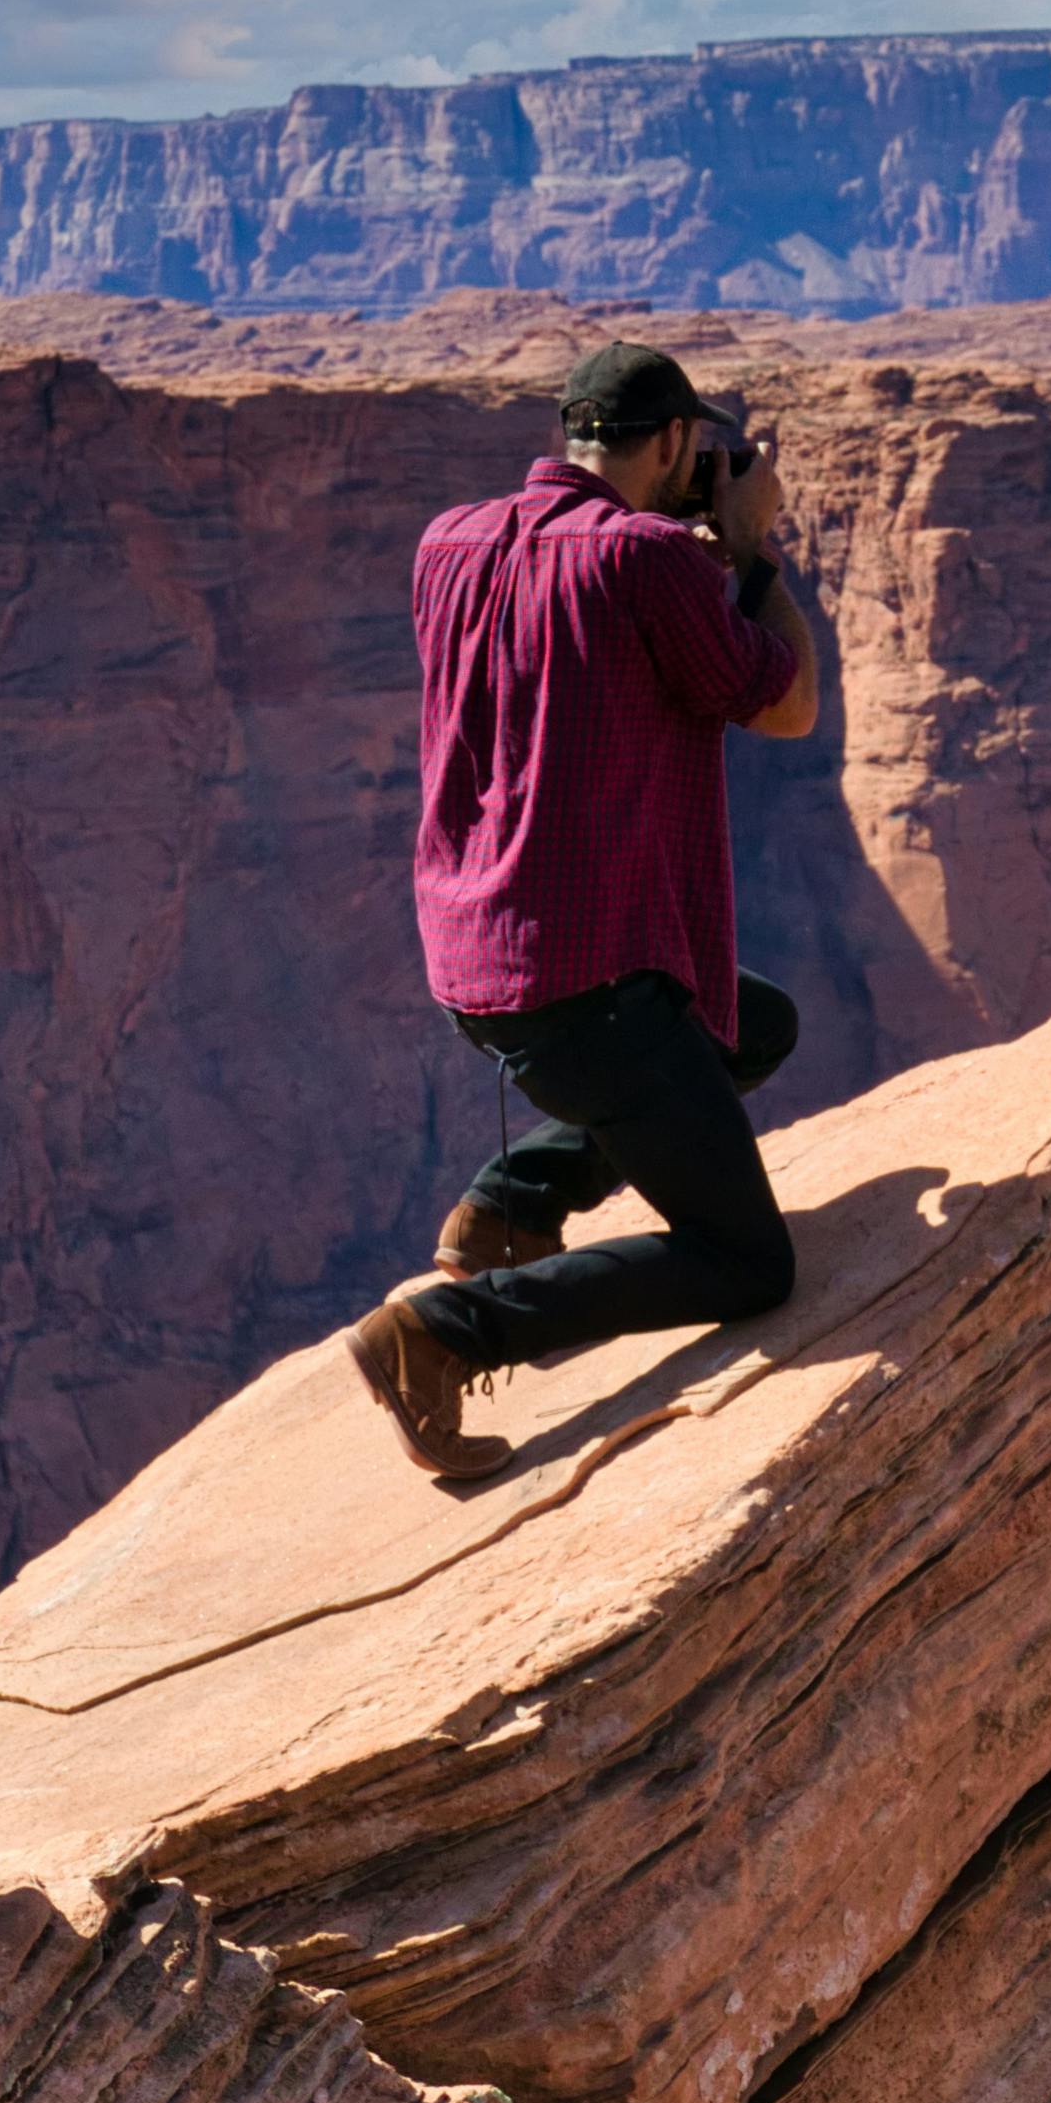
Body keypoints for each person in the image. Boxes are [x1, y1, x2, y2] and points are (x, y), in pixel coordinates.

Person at [349, 337, 825, 1485]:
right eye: (693, 449)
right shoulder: (651, 560)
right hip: (590, 991)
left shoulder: (449, 541)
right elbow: (789, 706)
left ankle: (513, 1205)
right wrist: (749, 547)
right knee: (746, 1264)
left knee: (748, 1025)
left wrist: (685, 554)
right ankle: (443, 1334)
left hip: (479, 956)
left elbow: (574, 637)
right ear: (671, 444)